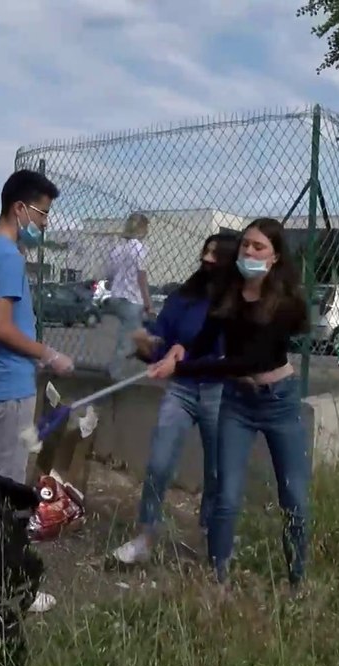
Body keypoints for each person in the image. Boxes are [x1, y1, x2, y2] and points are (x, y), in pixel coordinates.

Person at [149, 218, 312, 588]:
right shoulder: (229, 293)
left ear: (274, 258)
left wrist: (186, 368)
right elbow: (206, 338)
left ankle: (298, 583)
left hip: (279, 403)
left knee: (295, 498)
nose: (249, 253)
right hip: (237, 403)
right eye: (245, 246)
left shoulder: (284, 303)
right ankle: (217, 581)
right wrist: (178, 352)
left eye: (258, 248)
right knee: (226, 495)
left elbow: (250, 360)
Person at [0, 169, 73, 613]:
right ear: (20, 208)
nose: (44, 223)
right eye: (42, 213)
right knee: (7, 499)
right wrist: (49, 355)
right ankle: (6, 594)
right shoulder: (6, 257)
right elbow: (1, 326)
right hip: (8, 388)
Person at [111, 233, 239, 565]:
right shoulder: (186, 295)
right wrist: (147, 345)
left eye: (217, 255)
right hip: (182, 390)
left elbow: (231, 353)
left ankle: (210, 539)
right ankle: (146, 537)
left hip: (218, 392)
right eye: (206, 251)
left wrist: (181, 358)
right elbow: (163, 341)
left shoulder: (237, 302)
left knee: (216, 472)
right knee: (158, 463)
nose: (208, 259)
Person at [103, 212, 153, 380]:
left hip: (116, 296)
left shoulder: (117, 249)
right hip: (133, 299)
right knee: (128, 340)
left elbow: (109, 275)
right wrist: (148, 302)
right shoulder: (139, 248)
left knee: (134, 335)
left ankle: (127, 367)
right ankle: (115, 374)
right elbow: (141, 276)